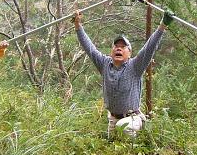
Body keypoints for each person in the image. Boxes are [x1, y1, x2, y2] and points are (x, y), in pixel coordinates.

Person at [74, 9, 173, 137]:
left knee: (123, 130)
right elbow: (89, 48)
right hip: (113, 119)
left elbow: (149, 48)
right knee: (112, 149)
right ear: (112, 51)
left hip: (133, 119)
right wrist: (77, 25)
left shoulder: (135, 66)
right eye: (116, 46)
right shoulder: (104, 64)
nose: (119, 48)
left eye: (123, 46)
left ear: (129, 53)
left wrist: (162, 25)